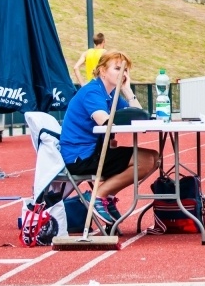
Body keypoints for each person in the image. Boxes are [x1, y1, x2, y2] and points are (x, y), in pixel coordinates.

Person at [60, 51, 160, 225]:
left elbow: (138, 116)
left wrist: (127, 90)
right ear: (102, 71)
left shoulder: (111, 94)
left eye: (125, 70)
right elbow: (104, 121)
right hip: (81, 156)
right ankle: (98, 196)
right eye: (117, 68)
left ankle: (106, 195)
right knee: (144, 160)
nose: (123, 73)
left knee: (154, 157)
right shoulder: (92, 92)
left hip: (96, 152)